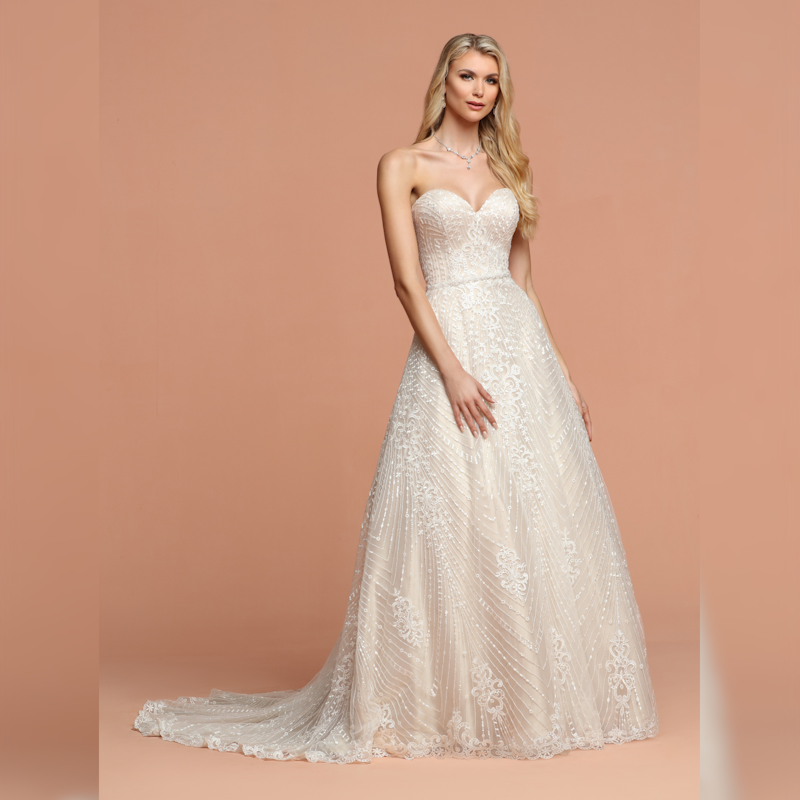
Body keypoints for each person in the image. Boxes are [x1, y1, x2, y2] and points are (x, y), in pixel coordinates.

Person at [134, 32, 659, 763]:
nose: (479, 90)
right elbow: (407, 283)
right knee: (446, 510)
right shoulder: (401, 165)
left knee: (531, 509)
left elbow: (524, 283)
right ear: (443, 80)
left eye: (492, 81)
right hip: (449, 349)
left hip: (520, 354)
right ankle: (436, 699)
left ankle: (528, 701)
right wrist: (452, 371)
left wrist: (563, 372)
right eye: (467, 76)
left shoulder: (510, 166)